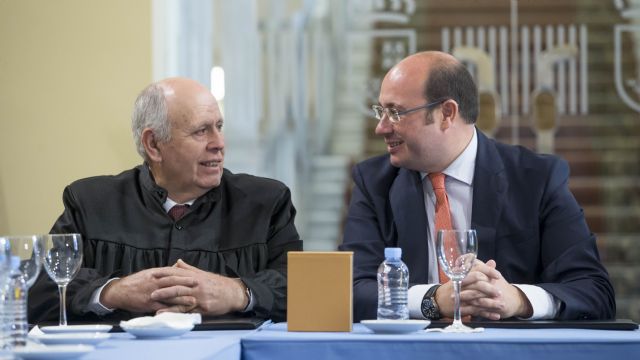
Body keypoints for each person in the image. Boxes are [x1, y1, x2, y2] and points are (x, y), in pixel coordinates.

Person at [339, 51, 615, 322]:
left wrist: (517, 300)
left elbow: (593, 291)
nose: (381, 128)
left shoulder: (536, 179)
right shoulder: (374, 183)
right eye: (381, 112)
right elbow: (350, 291)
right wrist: (433, 300)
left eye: (395, 113)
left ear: (447, 113)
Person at [29, 78, 302, 323]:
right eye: (201, 131)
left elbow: (305, 291)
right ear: (154, 145)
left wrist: (237, 292)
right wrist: (112, 292)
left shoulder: (266, 204)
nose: (219, 142)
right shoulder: (90, 204)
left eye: (219, 127)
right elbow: (37, 291)